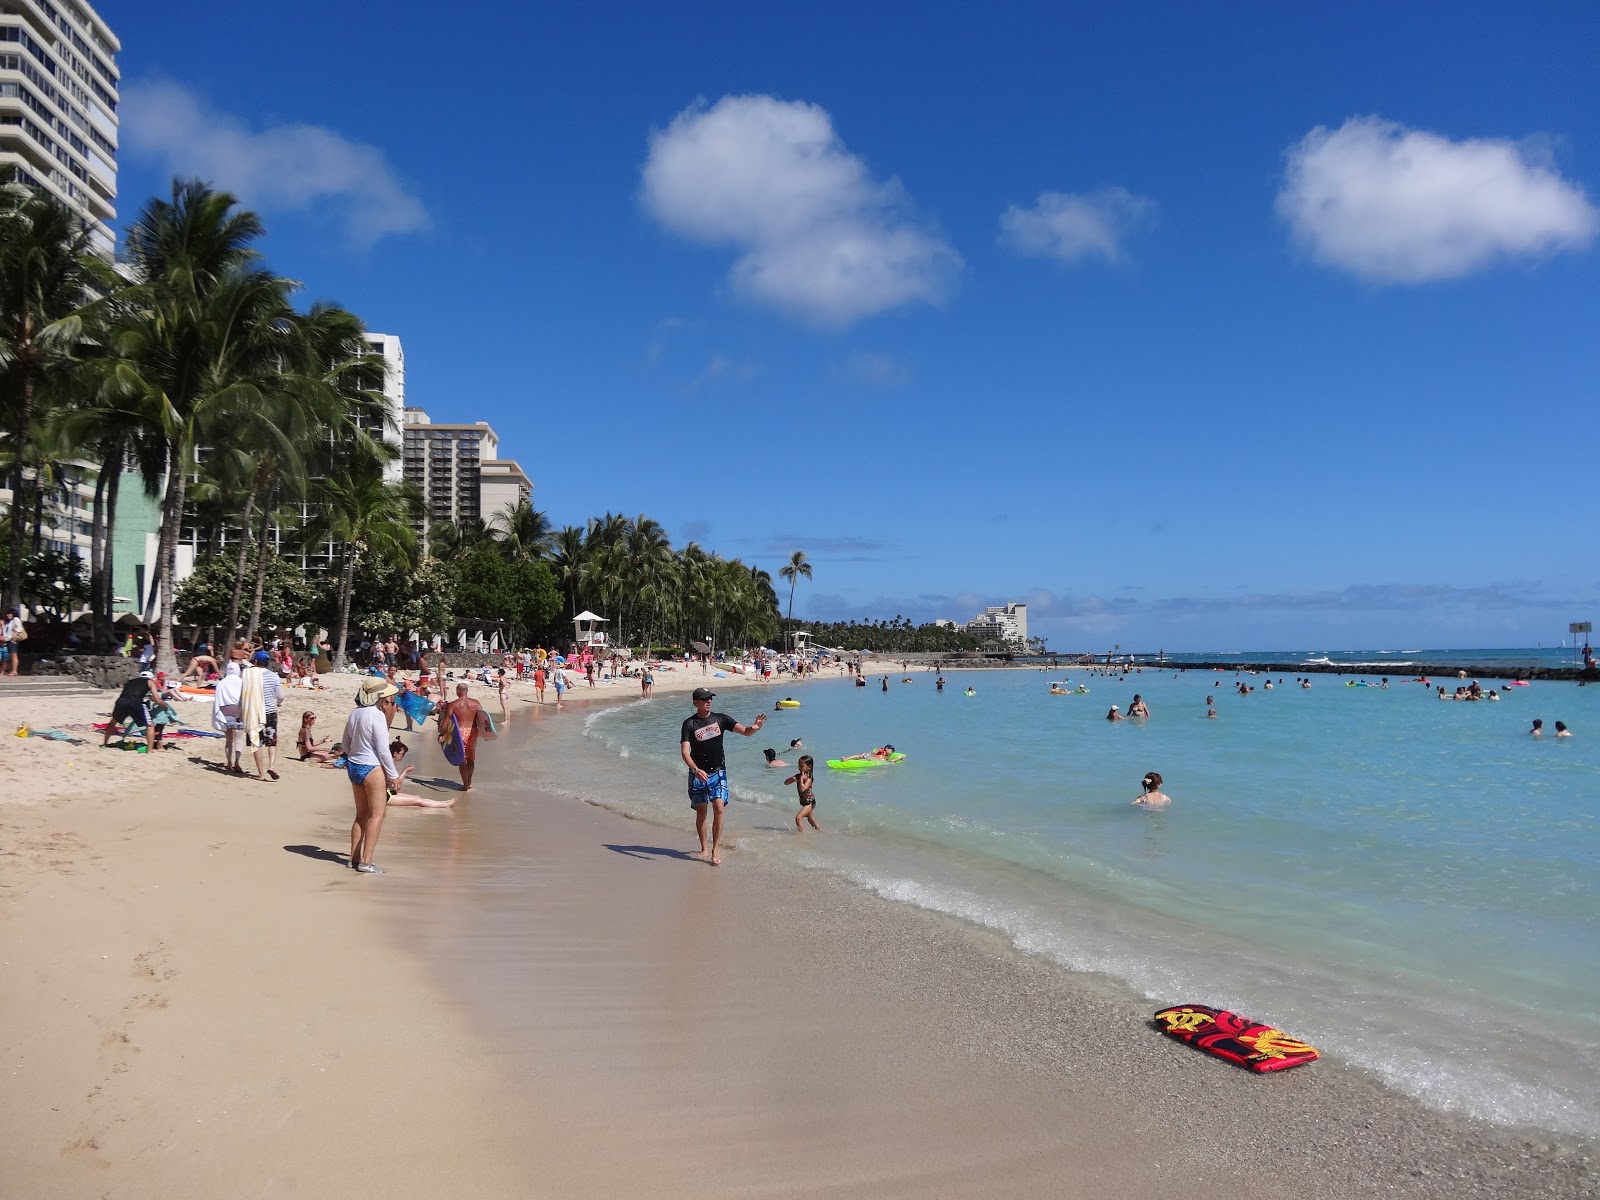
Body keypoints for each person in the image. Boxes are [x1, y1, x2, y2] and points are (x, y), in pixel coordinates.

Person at [679, 686, 766, 865]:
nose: (709, 701)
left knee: (718, 806)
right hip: (698, 773)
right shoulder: (689, 724)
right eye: (705, 699)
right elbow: (685, 752)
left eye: (710, 698)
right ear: (696, 703)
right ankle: (703, 846)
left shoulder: (721, 719)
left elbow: (746, 731)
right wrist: (695, 769)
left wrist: (755, 727)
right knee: (701, 810)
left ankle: (715, 849)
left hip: (718, 770)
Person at [342, 679, 402, 872]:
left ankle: (354, 859)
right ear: (380, 697)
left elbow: (345, 745)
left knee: (361, 815)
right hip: (371, 767)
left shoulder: (355, 713)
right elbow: (384, 749)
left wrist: (357, 753)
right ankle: (366, 862)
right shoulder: (376, 715)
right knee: (377, 815)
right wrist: (393, 776)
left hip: (354, 766)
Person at [438, 681, 493, 791]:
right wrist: (487, 734)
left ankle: (465, 785)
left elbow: (446, 722)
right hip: (473, 732)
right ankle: (469, 782)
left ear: (458, 691)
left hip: (460, 733)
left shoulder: (453, 705)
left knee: (461, 758)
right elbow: (483, 720)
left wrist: (442, 733)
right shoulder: (476, 703)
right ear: (467, 691)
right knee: (471, 757)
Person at [241, 650, 283, 781]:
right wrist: (279, 703)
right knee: (272, 742)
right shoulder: (274, 676)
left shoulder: (248, 676)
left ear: (256, 662)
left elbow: (243, 693)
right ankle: (272, 765)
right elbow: (280, 696)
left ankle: (261, 773)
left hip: (254, 713)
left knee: (256, 743)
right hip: (270, 712)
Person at [383, 739, 458, 808]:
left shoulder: (387, 764)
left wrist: (405, 771)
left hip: (387, 794)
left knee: (417, 798)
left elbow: (395, 786)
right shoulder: (388, 767)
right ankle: (444, 805)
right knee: (418, 801)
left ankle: (443, 803)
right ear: (395, 753)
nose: (403, 756)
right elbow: (397, 787)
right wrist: (405, 771)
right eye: (403, 754)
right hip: (385, 797)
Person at [102, 670, 163, 752]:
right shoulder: (150, 682)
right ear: (151, 678)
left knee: (113, 722)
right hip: (135, 703)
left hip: (121, 702)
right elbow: (157, 699)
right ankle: (150, 750)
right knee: (150, 725)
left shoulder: (130, 682)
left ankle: (104, 744)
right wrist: (165, 706)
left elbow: (131, 692)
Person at [212, 663, 245, 772]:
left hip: (225, 710)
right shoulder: (242, 682)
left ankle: (229, 763)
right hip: (239, 710)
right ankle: (237, 761)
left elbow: (218, 699)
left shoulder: (221, 683)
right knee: (239, 738)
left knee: (229, 739)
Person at [784, 755, 820, 832]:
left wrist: (800, 780)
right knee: (810, 819)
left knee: (798, 818)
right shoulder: (798, 776)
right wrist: (792, 779)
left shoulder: (809, 778)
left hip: (809, 802)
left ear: (809, 767)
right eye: (798, 765)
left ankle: (802, 836)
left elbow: (803, 789)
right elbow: (786, 783)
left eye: (802, 766)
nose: (799, 767)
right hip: (804, 802)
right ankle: (819, 831)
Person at [0, 608, 23, 677]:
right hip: (8, 639)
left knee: (14, 655)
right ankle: (11, 670)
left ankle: (14, 671)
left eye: (9, 614)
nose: (8, 615)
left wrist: (15, 635)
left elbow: (19, 628)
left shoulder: (15, 619)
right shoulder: (9, 621)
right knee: (10, 656)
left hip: (12, 639)